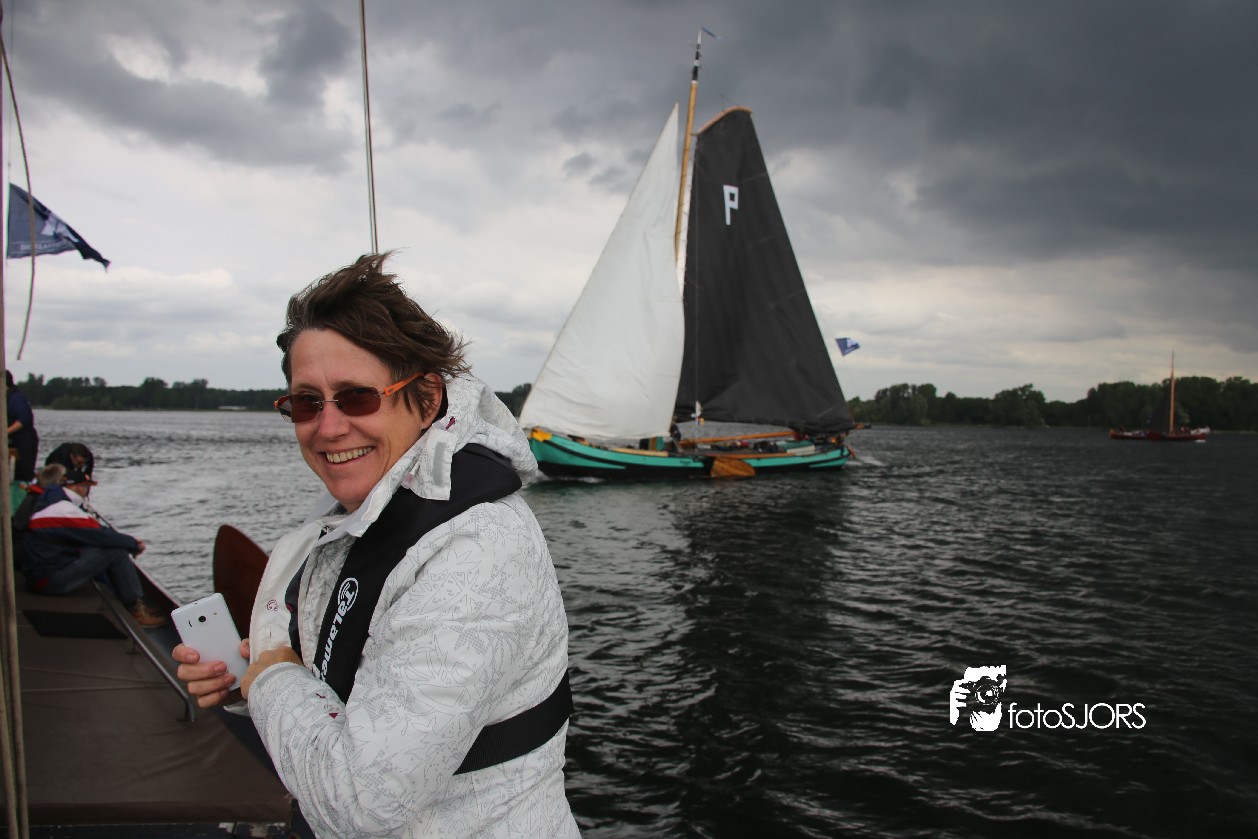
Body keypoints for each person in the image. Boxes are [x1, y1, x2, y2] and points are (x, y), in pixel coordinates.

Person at [173, 253, 578, 838]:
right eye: (306, 402)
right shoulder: (365, 519)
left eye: (358, 397)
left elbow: (364, 802)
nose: (328, 427)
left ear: (428, 398)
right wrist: (249, 680)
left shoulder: (478, 551)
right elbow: (343, 685)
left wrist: (271, 682)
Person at [21, 467, 165, 628]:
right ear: (78, 487)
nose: (87, 491)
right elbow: (101, 534)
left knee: (103, 547)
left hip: (41, 572)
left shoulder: (51, 503)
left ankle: (131, 600)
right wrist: (134, 544)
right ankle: (134, 607)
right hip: (47, 581)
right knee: (116, 551)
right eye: (86, 486)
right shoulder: (64, 510)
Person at [6, 369, 38, 484]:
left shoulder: (16, 398)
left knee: (22, 474)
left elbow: (24, 419)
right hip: (11, 441)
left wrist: (5, 432)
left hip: (23, 442)